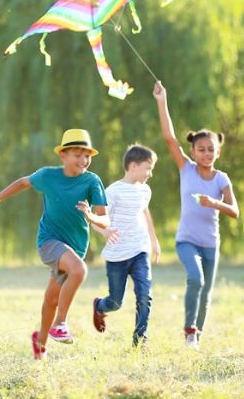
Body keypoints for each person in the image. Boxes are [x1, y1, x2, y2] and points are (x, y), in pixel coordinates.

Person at [0, 129, 110, 360]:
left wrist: (91, 217)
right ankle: (60, 323)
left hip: (75, 247)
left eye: (87, 155)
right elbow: (22, 183)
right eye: (77, 155)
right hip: (49, 241)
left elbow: (105, 217)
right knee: (79, 270)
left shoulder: (92, 180)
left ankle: (39, 345)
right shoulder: (48, 176)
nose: (83, 160)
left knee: (51, 298)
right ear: (63, 156)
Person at [152, 81, 239, 349]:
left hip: (211, 242)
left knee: (207, 293)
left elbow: (234, 211)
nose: (206, 154)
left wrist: (214, 203)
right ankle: (189, 328)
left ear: (218, 151)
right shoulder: (186, 169)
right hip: (186, 240)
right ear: (193, 152)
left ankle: (196, 335)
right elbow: (169, 138)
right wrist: (162, 101)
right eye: (201, 149)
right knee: (196, 279)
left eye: (211, 149)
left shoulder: (222, 179)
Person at [91, 144, 161, 346]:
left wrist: (154, 240)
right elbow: (97, 218)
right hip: (117, 256)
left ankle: (140, 339)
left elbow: (145, 212)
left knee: (144, 295)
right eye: (148, 168)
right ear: (132, 166)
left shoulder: (145, 190)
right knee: (115, 302)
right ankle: (100, 306)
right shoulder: (112, 192)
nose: (151, 173)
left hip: (140, 249)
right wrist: (104, 231)